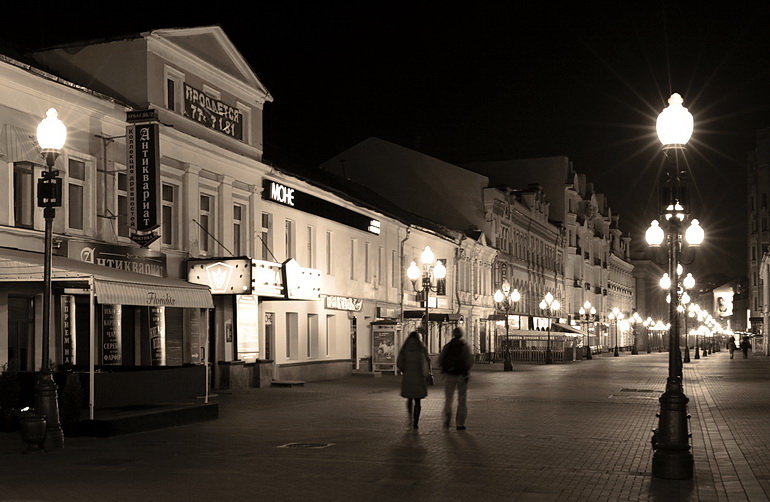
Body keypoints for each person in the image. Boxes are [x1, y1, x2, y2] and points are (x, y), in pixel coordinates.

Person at [438, 327, 473, 430]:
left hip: (450, 375)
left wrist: (445, 369)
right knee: (462, 399)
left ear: (453, 335)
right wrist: (466, 371)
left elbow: (441, 360)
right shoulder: (464, 347)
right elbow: (469, 361)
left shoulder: (447, 347)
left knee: (449, 398)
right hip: (461, 376)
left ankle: (448, 415)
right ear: (461, 335)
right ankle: (460, 423)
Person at [396, 331, 432, 429]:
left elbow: (399, 362)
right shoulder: (421, 348)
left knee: (409, 398)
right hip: (419, 377)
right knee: (417, 401)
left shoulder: (405, 348)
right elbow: (427, 362)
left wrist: (405, 370)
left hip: (408, 377)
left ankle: (410, 417)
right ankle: (416, 422)